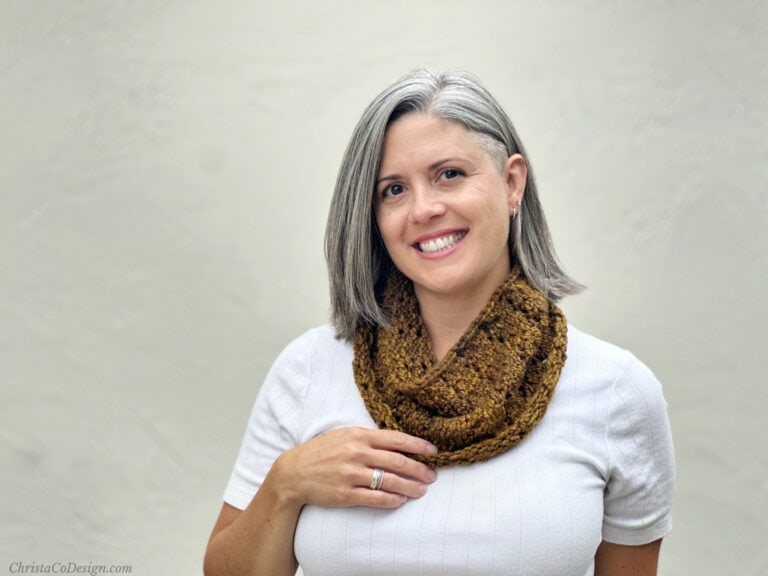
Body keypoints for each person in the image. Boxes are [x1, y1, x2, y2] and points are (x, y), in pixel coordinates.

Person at [203, 68, 674, 576]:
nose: (424, 209)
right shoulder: (308, 369)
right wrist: (286, 483)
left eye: (449, 173)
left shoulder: (617, 391)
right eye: (393, 190)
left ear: (512, 183)